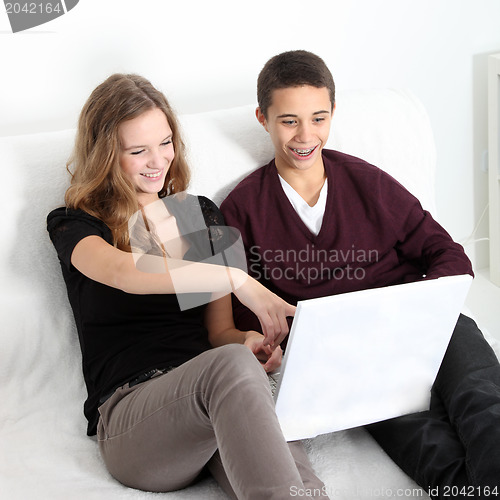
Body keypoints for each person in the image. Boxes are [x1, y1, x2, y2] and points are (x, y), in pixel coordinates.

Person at [220, 50, 500, 498]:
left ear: (333, 114)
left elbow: (444, 251)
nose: (305, 135)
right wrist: (268, 344)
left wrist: (421, 306)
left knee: (485, 404)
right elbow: (232, 312)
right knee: (438, 461)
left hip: (427, 327)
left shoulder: (366, 181)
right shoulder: (240, 208)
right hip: (352, 362)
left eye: (319, 118)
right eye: (289, 121)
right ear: (263, 118)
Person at [46, 73, 329, 499]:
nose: (158, 161)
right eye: (138, 151)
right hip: (135, 423)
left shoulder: (199, 215)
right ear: (106, 155)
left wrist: (251, 343)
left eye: (165, 143)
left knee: (281, 451)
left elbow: (220, 336)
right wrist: (235, 277)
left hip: (207, 407)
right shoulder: (77, 223)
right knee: (231, 366)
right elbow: (124, 272)